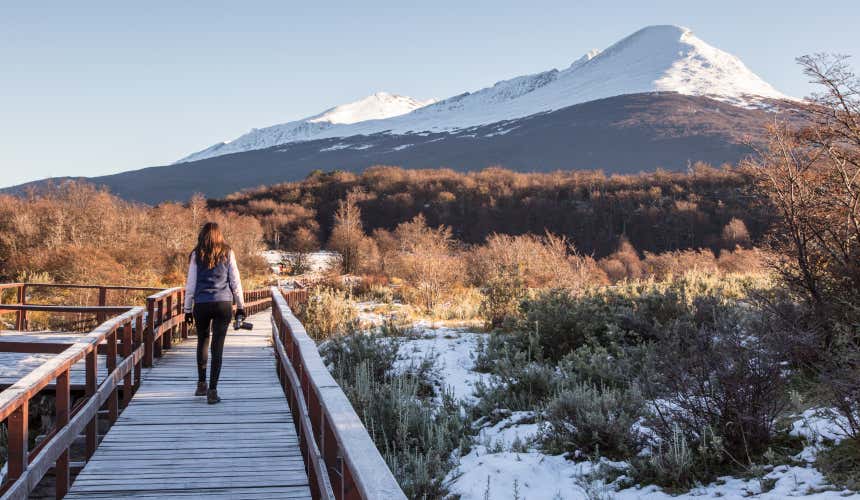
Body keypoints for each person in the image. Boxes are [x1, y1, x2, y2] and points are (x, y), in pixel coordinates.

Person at [183, 222, 245, 404]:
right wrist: (240, 305)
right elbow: (235, 281)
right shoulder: (228, 252)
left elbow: (191, 284)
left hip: (201, 303)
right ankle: (212, 391)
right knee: (217, 346)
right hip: (223, 303)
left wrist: (187, 308)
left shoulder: (196, 254)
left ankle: (201, 384)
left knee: (202, 341)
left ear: (202, 235)